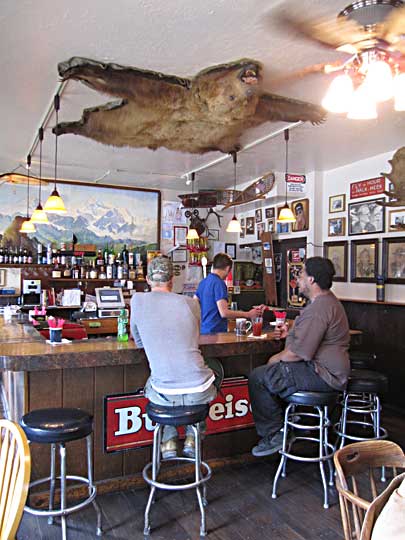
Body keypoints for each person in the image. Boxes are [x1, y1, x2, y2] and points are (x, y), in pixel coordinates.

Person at [248, 257, 350, 457]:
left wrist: (273, 360)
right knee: (271, 375)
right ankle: (293, 421)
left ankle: (277, 433)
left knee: (259, 377)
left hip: (324, 375)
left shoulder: (319, 308)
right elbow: (311, 335)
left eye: (301, 274)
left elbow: (296, 354)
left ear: (311, 280)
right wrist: (292, 332)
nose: (299, 279)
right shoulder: (327, 302)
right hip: (327, 372)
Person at [130, 256, 222, 459]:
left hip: (164, 393)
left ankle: (169, 440)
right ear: (172, 280)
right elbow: (193, 339)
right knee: (212, 371)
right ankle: (193, 436)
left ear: (147, 279)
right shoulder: (191, 303)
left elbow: (139, 342)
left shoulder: (137, 301)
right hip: (199, 391)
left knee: (156, 382)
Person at [195, 252, 261, 334]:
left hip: (203, 331)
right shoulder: (219, 283)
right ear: (227, 268)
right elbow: (224, 313)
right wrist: (248, 314)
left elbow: (194, 305)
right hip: (216, 332)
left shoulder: (203, 282)